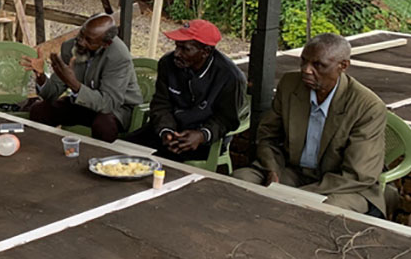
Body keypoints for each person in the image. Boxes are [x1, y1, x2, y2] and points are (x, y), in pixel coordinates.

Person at [234, 33, 390, 217]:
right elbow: (268, 134)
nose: (306, 70)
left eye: (318, 65)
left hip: (343, 186)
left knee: (321, 212)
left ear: (343, 66)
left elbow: (358, 175)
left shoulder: (367, 107)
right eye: (303, 61)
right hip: (292, 173)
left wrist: (300, 195)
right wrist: (272, 169)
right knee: (239, 182)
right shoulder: (290, 84)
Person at [126, 19, 246, 162]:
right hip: (167, 131)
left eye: (185, 49)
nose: (177, 53)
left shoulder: (230, 77)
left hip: (206, 140)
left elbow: (226, 119)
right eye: (177, 46)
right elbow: (161, 104)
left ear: (205, 52)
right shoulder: (167, 63)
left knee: (158, 163)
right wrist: (166, 131)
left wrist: (201, 135)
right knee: (122, 149)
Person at [19, 14, 142, 142]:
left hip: (118, 109)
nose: (81, 42)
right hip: (84, 103)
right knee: (40, 110)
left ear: (105, 44)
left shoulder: (118, 56)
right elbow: (51, 93)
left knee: (103, 125)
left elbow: (108, 103)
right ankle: (43, 152)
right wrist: (41, 75)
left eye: (89, 40)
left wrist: (73, 84)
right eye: (81, 34)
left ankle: (99, 160)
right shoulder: (70, 47)